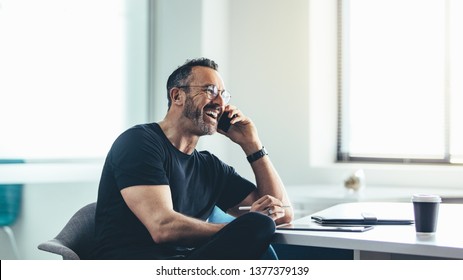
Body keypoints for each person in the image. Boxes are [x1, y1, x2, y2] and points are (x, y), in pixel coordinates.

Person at [92, 57, 293, 259]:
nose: (221, 103)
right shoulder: (138, 142)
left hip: (184, 265)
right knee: (257, 225)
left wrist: (252, 145)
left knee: (261, 224)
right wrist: (240, 229)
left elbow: (281, 214)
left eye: (223, 95)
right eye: (210, 91)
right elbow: (162, 227)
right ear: (177, 95)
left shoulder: (210, 168)